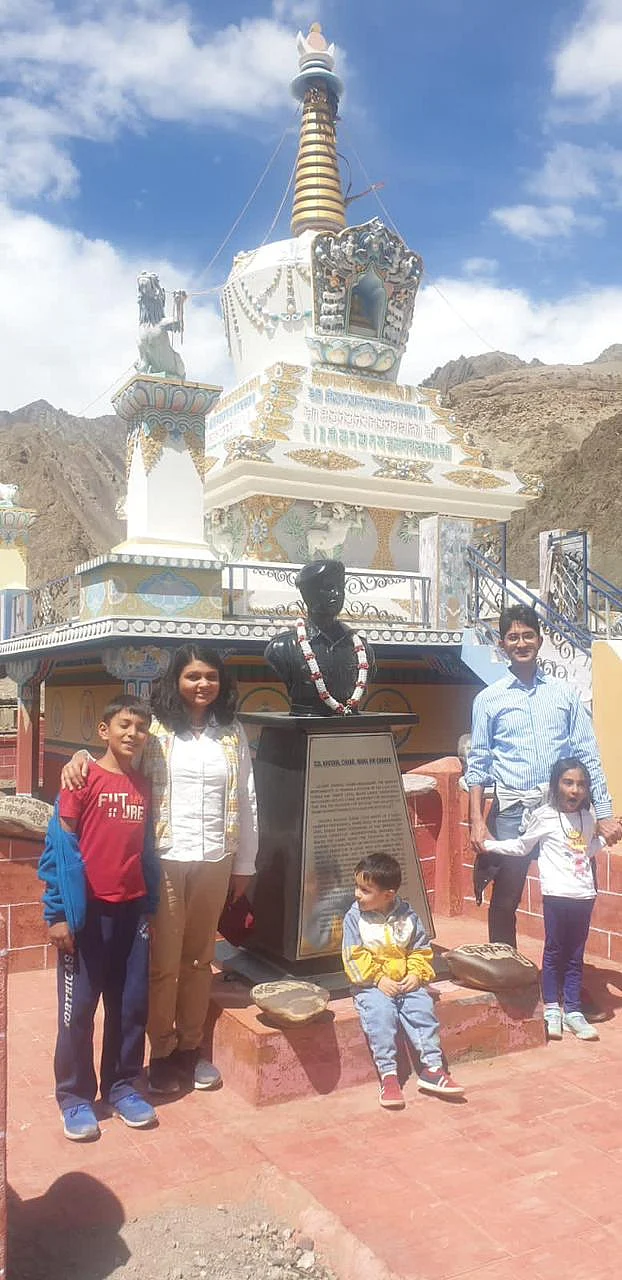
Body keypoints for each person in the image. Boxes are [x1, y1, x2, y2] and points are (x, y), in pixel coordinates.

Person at [61, 644, 258, 1097]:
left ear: (221, 682)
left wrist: (245, 863)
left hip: (216, 858)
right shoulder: (160, 731)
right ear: (177, 681)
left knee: (199, 959)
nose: (202, 685)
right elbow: (116, 757)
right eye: (193, 676)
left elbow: (247, 797)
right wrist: (78, 758)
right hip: (165, 857)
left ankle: (190, 1049)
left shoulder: (232, 733)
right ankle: (162, 1053)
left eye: (210, 676)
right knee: (163, 963)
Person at [465, 604, 621, 948]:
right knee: (506, 897)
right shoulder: (488, 700)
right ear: (502, 644)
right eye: (512, 637)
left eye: (528, 635)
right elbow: (478, 764)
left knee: (570, 893)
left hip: (562, 812)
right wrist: (476, 821)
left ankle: (564, 978)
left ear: (540, 639)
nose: (521, 643)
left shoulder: (564, 695)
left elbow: (586, 755)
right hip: (512, 811)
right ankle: (506, 974)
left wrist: (605, 815)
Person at [40, 695, 159, 1141]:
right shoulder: (81, 777)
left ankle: (123, 1085)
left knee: (130, 1009)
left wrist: (150, 908)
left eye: (141, 727)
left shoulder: (143, 786)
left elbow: (144, 851)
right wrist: (57, 914)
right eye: (124, 724)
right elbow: (59, 847)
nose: (133, 734)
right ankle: (73, 1096)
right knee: (78, 1012)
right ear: (104, 730)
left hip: (132, 914)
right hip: (86, 916)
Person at [484, 758, 602, 1042]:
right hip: (556, 895)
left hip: (583, 895)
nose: (575, 790)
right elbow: (523, 846)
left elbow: (587, 849)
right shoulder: (544, 816)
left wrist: (608, 838)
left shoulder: (588, 817)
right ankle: (552, 1008)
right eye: (568, 782)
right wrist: (488, 844)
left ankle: (572, 1010)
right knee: (553, 952)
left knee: (575, 956)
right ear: (556, 784)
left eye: (581, 784)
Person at [342, 853, 465, 1108]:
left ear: (388, 895)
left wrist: (416, 974)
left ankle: (432, 1069)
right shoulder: (354, 919)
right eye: (357, 887)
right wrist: (377, 979)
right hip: (371, 984)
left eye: (365, 890)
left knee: (422, 1010)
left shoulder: (408, 916)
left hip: (405, 981)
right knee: (381, 1015)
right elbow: (353, 956)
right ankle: (388, 1076)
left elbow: (419, 948)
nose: (357, 894)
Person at [264, 559, 375, 715]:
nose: (337, 594)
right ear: (308, 593)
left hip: (353, 732)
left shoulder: (363, 650)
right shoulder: (283, 648)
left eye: (341, 588)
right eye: (329, 588)